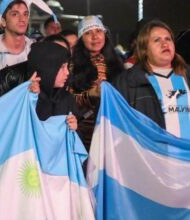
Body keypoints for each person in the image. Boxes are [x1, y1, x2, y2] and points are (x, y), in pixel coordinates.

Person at [114, 20, 190, 139]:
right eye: (157, 40)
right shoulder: (127, 82)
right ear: (144, 50)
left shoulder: (187, 75)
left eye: (168, 39)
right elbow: (117, 127)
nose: (165, 44)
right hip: (152, 155)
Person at [70, 16, 124, 149]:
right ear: (81, 39)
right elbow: (67, 100)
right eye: (88, 33)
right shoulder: (72, 65)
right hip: (85, 133)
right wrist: (92, 94)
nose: (95, 37)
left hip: (113, 131)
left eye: (99, 31)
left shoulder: (117, 62)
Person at [27, 41, 78, 130]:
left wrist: (75, 128)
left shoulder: (67, 98)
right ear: (47, 69)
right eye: (62, 67)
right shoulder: (26, 98)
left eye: (67, 67)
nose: (67, 73)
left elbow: (77, 139)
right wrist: (34, 97)